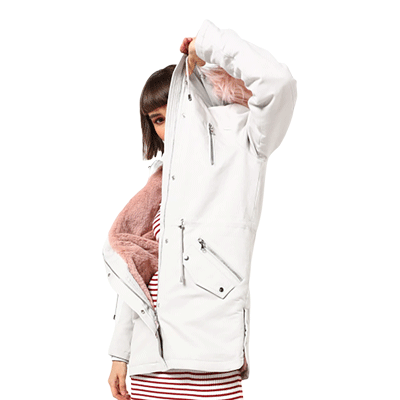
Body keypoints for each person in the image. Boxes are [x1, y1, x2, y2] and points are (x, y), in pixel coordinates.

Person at [105, 19, 297, 400]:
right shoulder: (157, 187)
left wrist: (209, 44)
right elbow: (137, 272)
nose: (166, 128)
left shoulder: (242, 139)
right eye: (157, 120)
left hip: (209, 358)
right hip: (149, 363)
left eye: (173, 112)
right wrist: (119, 353)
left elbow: (278, 84)